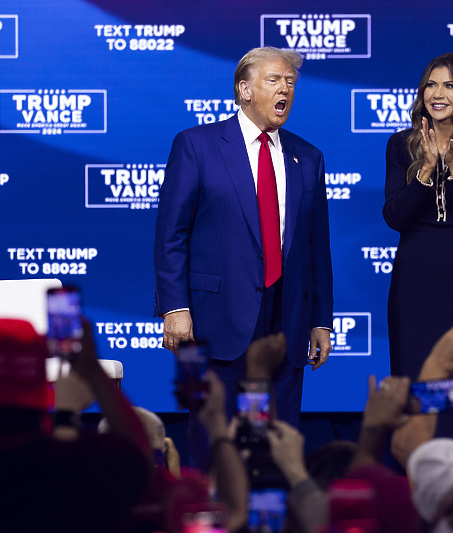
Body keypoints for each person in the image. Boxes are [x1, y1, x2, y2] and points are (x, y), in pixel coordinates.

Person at [153, 47, 334, 449]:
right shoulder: (196, 145)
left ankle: (269, 512)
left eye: (290, 82)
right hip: (213, 324)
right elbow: (171, 235)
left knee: (275, 446)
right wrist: (175, 308)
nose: (285, 88)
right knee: (211, 444)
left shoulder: (308, 157)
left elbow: (317, 247)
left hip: (285, 325)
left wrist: (321, 319)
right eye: (274, 80)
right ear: (244, 90)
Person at [382, 53, 453, 442]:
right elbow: (395, 217)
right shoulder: (401, 145)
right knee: (416, 382)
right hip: (414, 281)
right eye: (431, 84)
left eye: (449, 85)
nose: (437, 93)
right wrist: (426, 171)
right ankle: (413, 481)